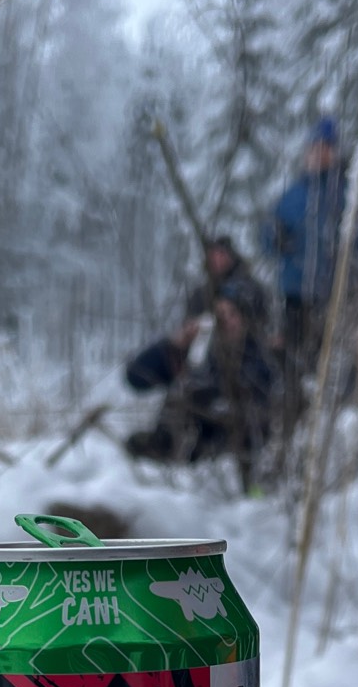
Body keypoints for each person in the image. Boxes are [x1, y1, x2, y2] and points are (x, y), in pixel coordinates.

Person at [123, 283, 275, 483]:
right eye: (220, 315)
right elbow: (136, 377)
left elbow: (258, 407)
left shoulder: (259, 356)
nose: (227, 322)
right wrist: (173, 344)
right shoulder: (196, 351)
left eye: (233, 314)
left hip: (221, 464)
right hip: (173, 453)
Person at [265, 118, 346, 434]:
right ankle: (291, 427)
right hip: (295, 297)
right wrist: (276, 239)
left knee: (327, 365)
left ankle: (325, 430)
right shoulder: (292, 195)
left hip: (334, 298)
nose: (319, 155)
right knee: (292, 365)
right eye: (315, 149)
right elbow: (267, 234)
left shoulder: (344, 192)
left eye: (326, 149)